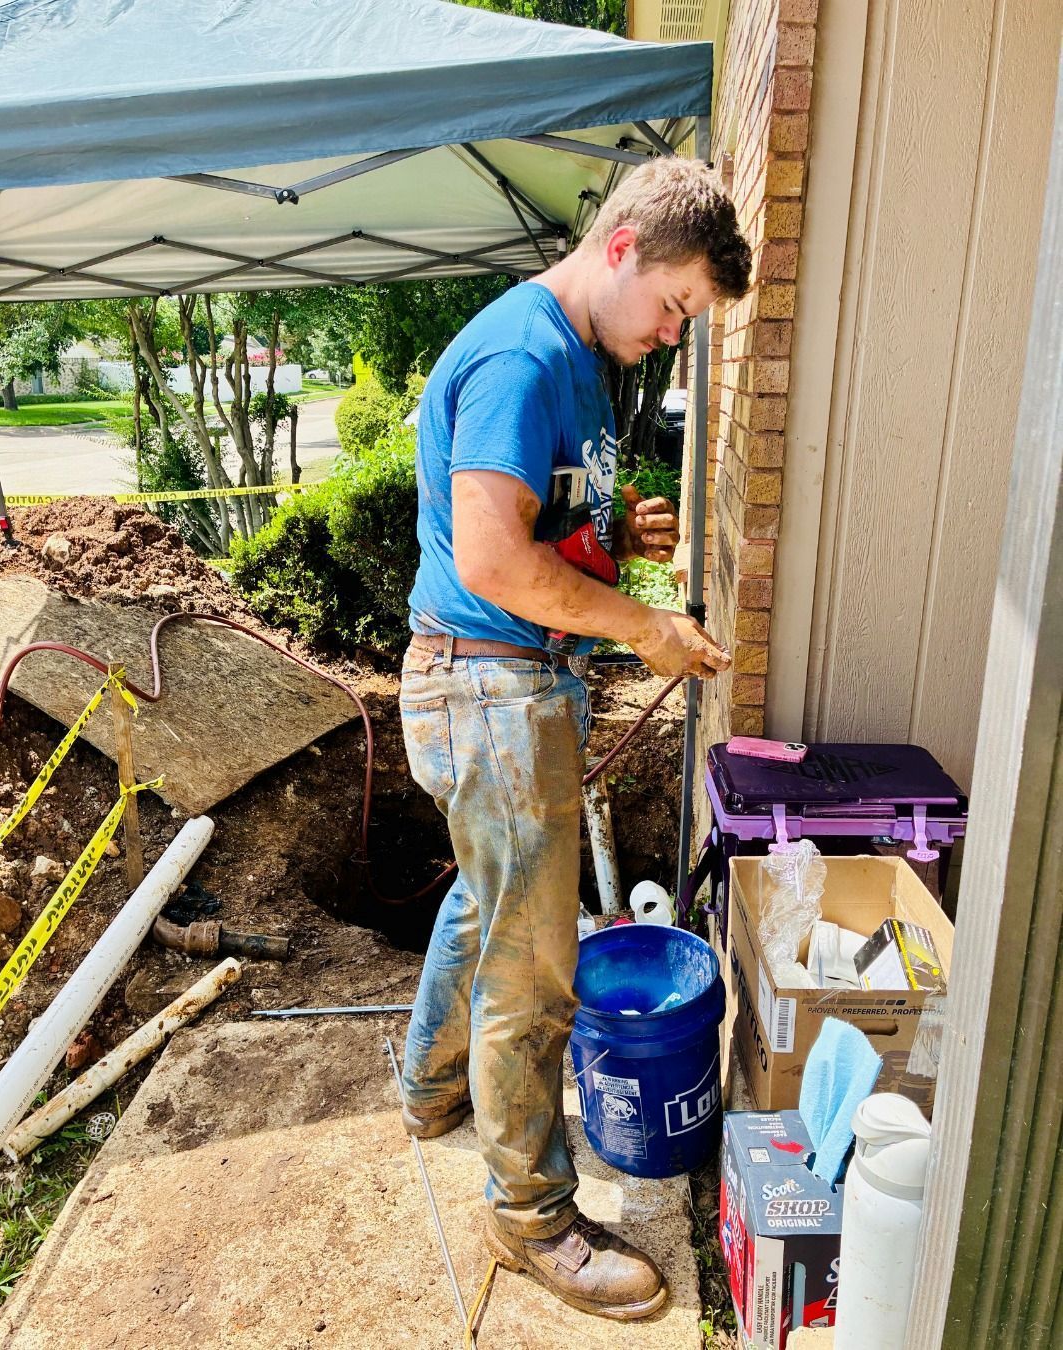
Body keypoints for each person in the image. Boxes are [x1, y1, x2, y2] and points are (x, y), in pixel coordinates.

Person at [399, 157, 751, 1321]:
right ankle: (530, 1217)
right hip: (491, 693)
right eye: (676, 305)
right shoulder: (525, 354)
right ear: (622, 248)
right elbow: (495, 564)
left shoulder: (582, 363)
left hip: (501, 688)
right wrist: (645, 624)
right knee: (534, 971)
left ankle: (428, 1089)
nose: (672, 331)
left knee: (484, 909)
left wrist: (616, 533)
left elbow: (544, 535)